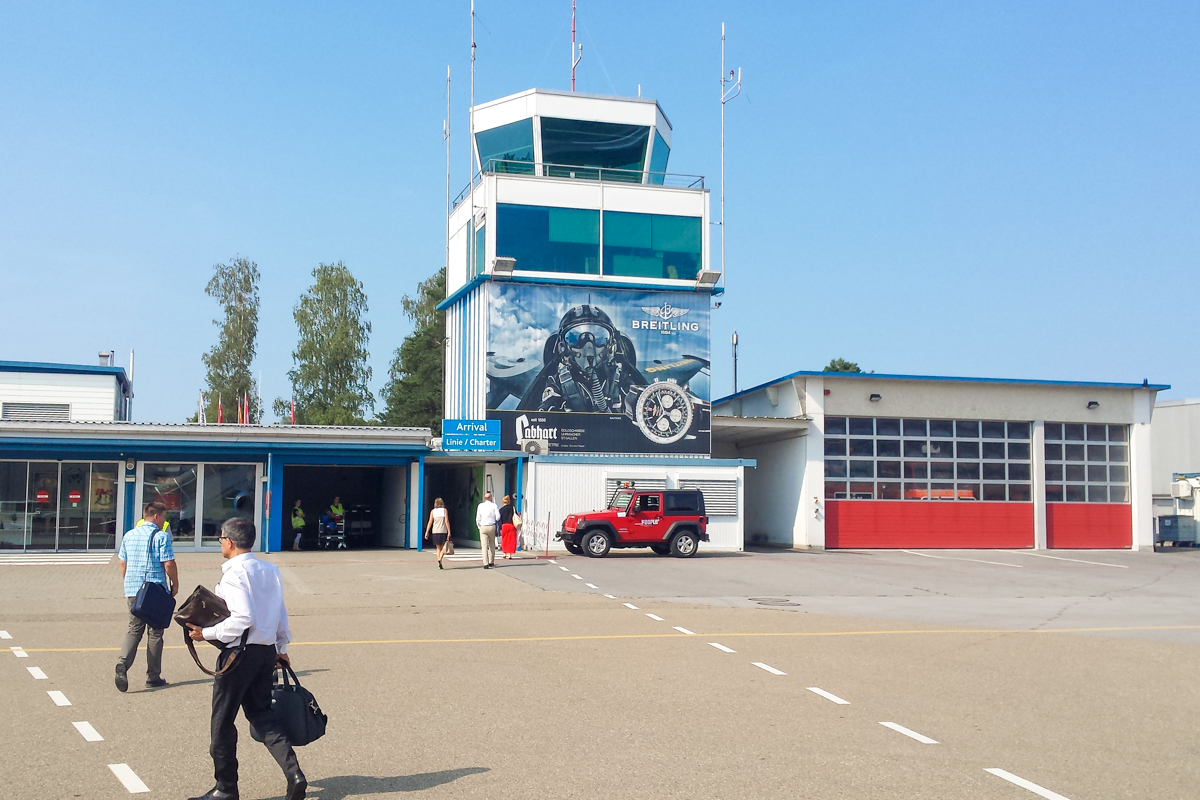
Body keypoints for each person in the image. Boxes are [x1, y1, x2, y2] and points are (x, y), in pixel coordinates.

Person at [185, 517, 306, 800]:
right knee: (262, 715)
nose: (220, 544)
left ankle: (225, 788)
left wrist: (206, 633)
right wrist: (281, 646)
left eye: (220, 539)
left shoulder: (234, 574)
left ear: (229, 541)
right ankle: (294, 774)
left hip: (238, 655)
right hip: (265, 652)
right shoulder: (270, 570)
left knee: (222, 722)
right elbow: (280, 611)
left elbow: (243, 617)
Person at [116, 501, 178, 692]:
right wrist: (175, 583)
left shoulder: (129, 535)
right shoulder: (160, 536)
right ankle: (153, 676)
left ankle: (123, 663)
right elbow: (168, 563)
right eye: (163, 517)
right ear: (156, 516)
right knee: (155, 632)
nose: (164, 521)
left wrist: (129, 582)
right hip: (154, 591)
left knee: (134, 630)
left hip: (133, 590)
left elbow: (122, 563)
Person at [425, 498, 452, 569]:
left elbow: (430, 522)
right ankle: (440, 559)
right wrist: (449, 531)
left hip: (435, 531)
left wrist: (427, 532)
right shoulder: (444, 510)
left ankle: (439, 562)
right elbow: (446, 521)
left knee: (438, 548)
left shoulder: (433, 511)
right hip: (443, 531)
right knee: (443, 547)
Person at [475, 491, 500, 569]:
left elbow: (478, 518)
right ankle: (491, 561)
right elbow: (498, 517)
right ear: (491, 498)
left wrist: (479, 526)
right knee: (492, 544)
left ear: (484, 498)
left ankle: (485, 563)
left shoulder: (480, 506)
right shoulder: (494, 505)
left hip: (483, 526)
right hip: (491, 526)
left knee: (484, 546)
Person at [499, 495, 518, 559]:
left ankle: (504, 553)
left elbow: (499, 519)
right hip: (511, 525)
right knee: (511, 540)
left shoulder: (501, 510)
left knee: (504, 539)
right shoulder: (512, 508)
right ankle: (509, 554)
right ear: (509, 501)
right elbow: (516, 516)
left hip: (504, 526)